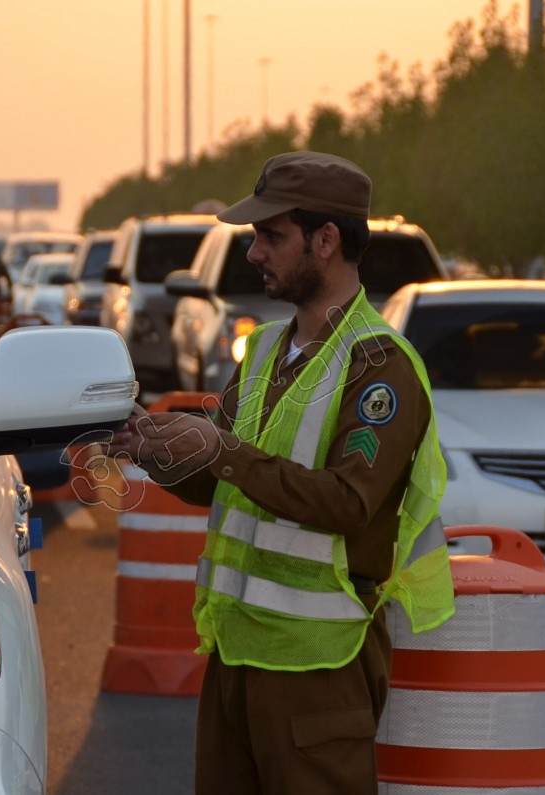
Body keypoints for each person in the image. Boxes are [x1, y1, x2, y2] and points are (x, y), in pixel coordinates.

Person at [108, 151, 454, 794]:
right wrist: (148, 448)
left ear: (326, 241)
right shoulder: (267, 348)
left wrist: (224, 451)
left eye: (272, 237)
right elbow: (220, 482)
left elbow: (349, 503)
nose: (254, 253)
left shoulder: (380, 367)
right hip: (237, 657)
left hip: (317, 668)